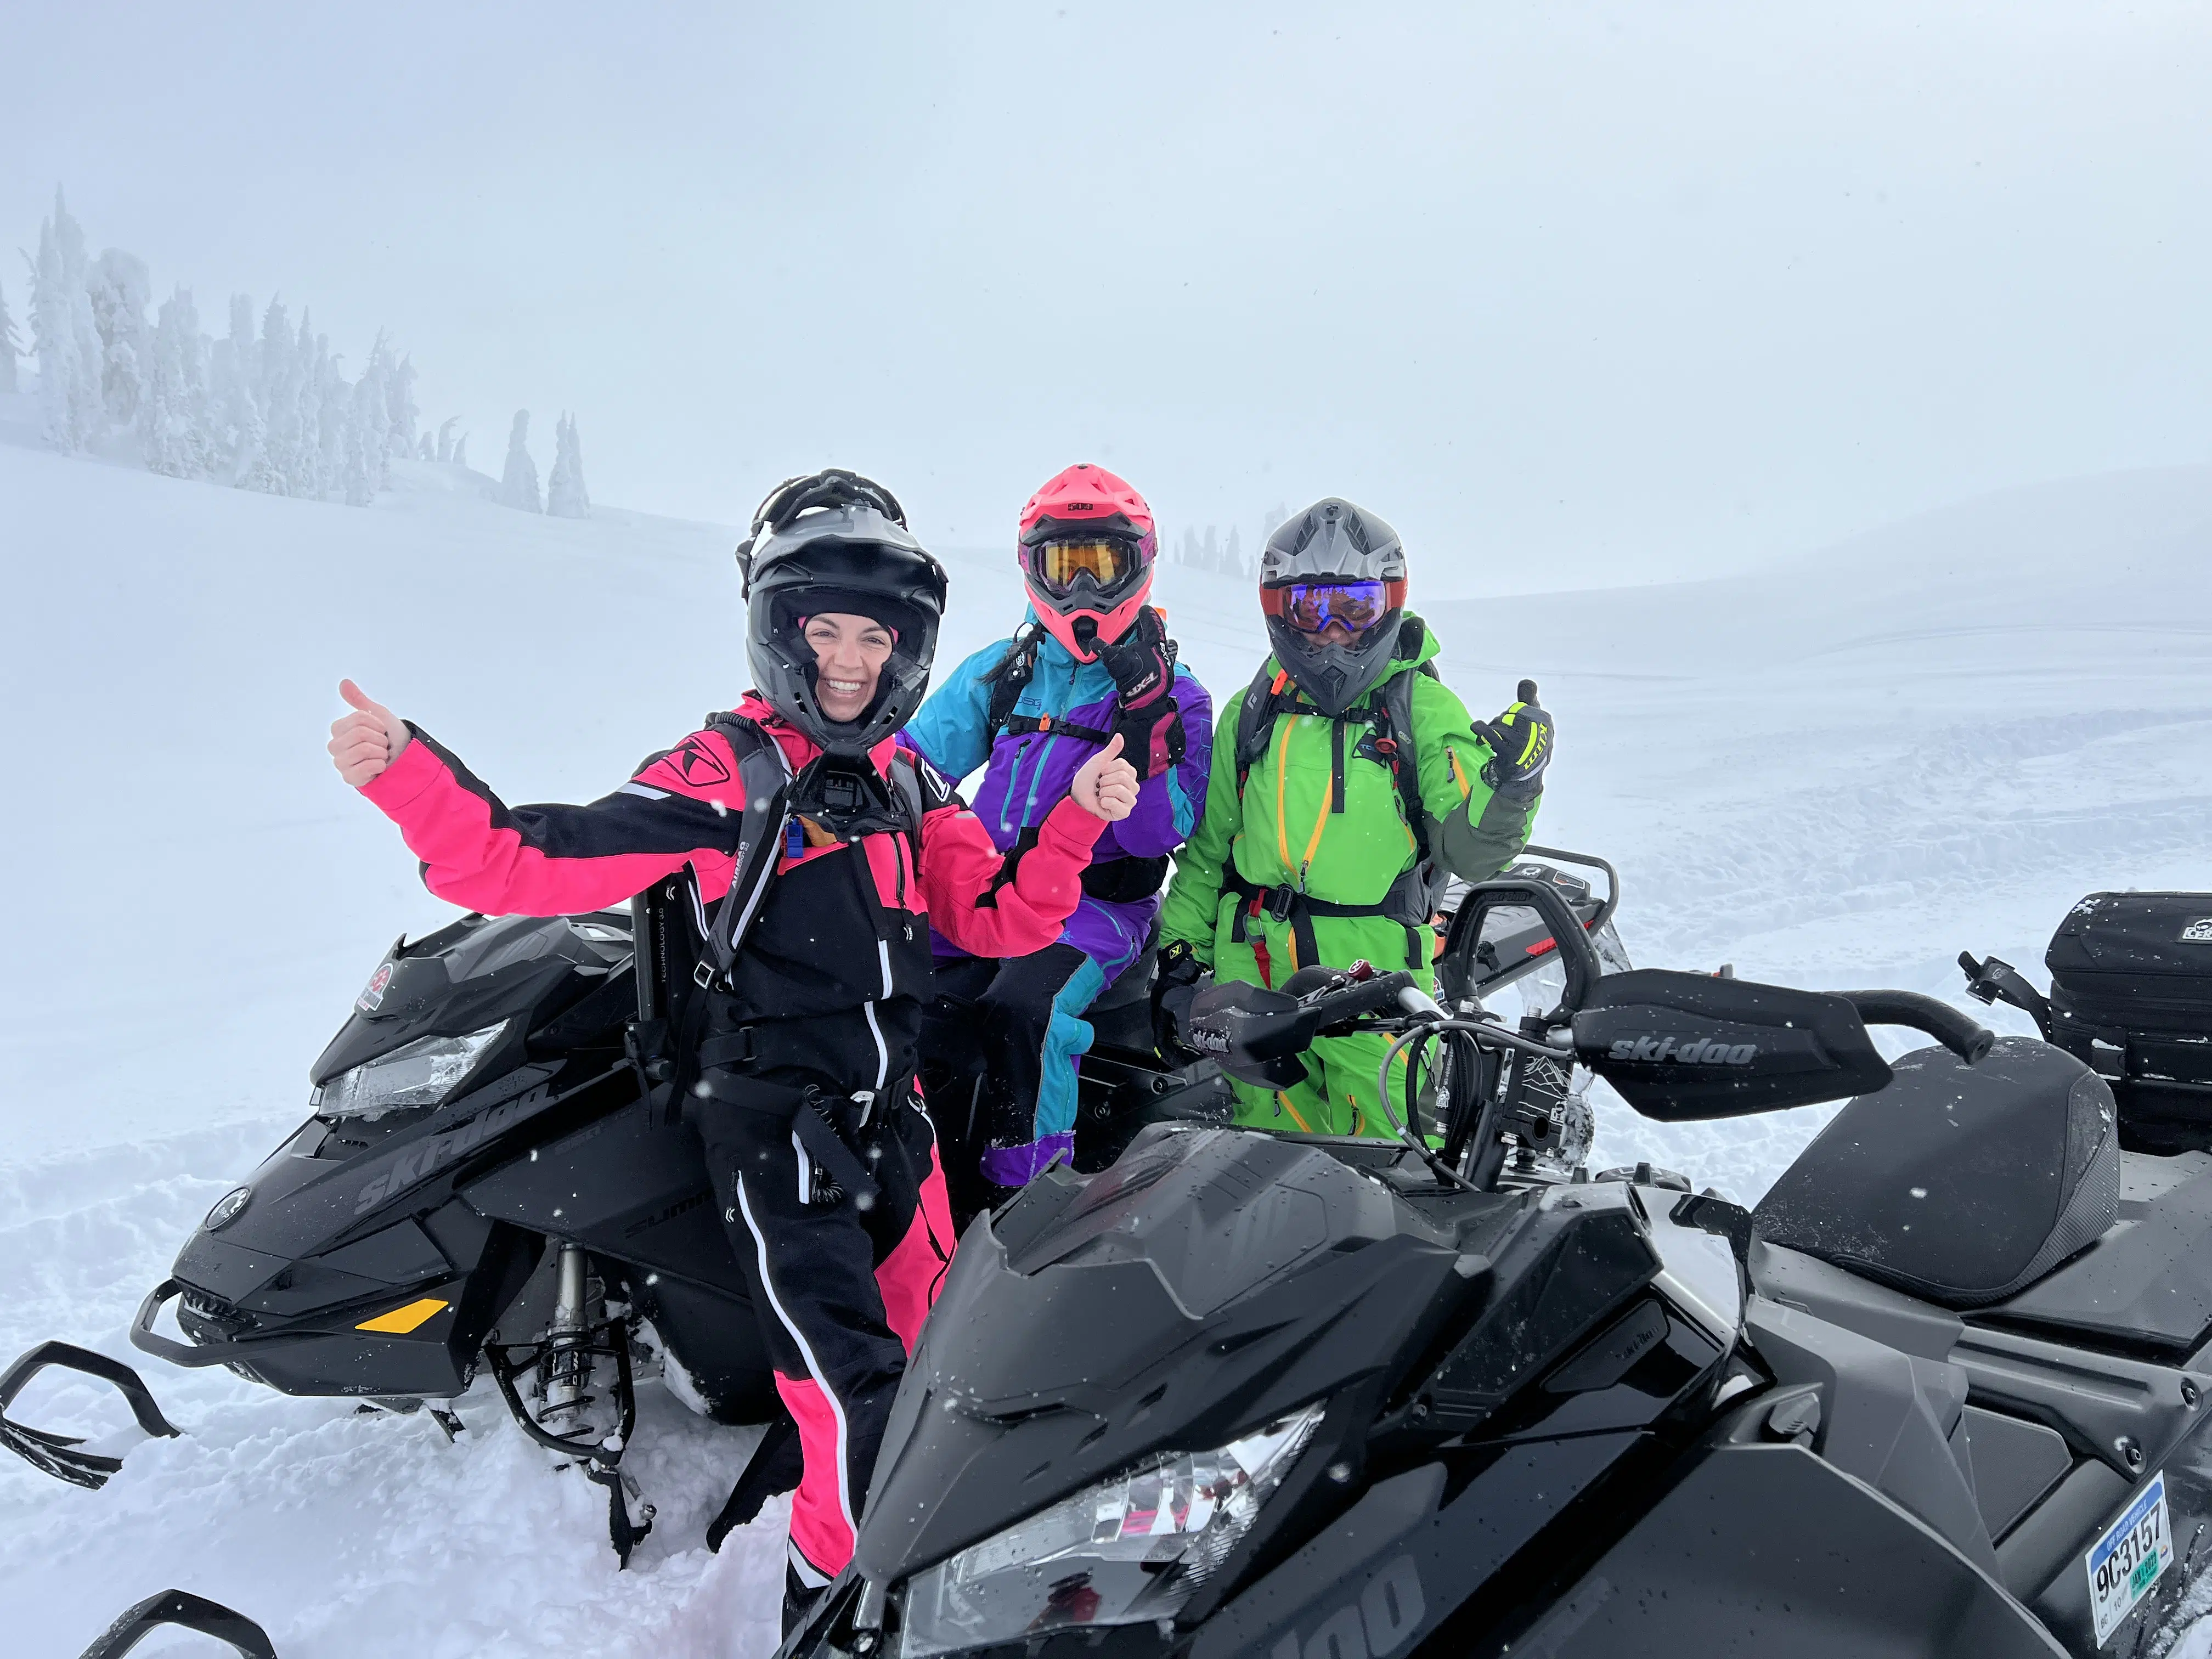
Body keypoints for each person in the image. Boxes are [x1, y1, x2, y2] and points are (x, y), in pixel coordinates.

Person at [325, 470, 1139, 1627]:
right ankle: (856, 1613)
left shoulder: (907, 780)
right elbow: (523, 861)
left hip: (890, 1125)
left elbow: (998, 920)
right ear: (779, 634)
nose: (852, 661)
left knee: (946, 1369)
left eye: (876, 636)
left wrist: (1074, 823)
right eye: (826, 632)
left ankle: (851, 1573)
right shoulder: (730, 773)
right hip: (777, 1138)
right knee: (852, 1401)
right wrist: (413, 776)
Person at [1153, 497, 1553, 1136]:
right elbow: (1208, 855)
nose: (1333, 632)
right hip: (1249, 978)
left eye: (1355, 608)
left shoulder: (1422, 708)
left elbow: (1473, 851)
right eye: (1311, 610)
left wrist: (1512, 787)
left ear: (1388, 606)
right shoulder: (1251, 712)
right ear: (1280, 610)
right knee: (1253, 1162)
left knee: (1383, 1164)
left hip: (1374, 984)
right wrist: (1176, 959)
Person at [907, 463, 1212, 1220]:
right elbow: (913, 764)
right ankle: (909, 1173)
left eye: (1102, 566)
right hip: (989, 894)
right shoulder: (1008, 672)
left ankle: (1030, 1198)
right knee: (902, 990)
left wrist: (1147, 723)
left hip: (1096, 911)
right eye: (1063, 566)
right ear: (1031, 568)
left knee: (1025, 1011)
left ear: (1137, 567)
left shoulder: (1179, 693)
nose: (1082, 592)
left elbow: (1165, 827)